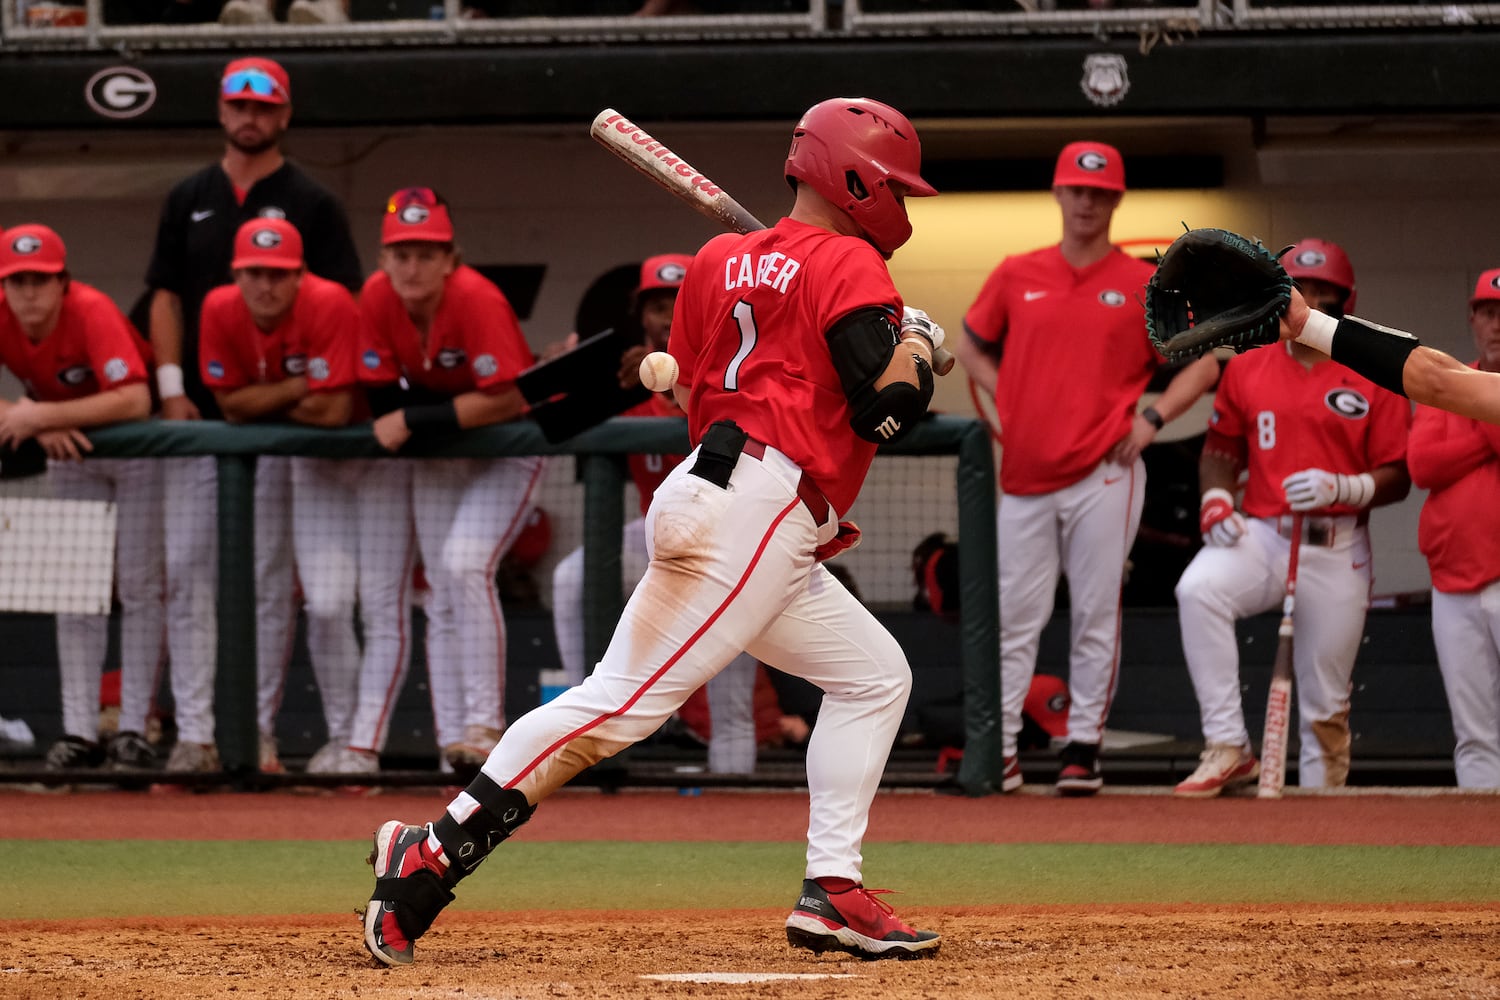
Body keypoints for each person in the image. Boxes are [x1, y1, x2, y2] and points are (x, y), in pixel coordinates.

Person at [360, 96, 945, 966]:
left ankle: (833, 888)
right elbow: (888, 411)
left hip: (721, 492)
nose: (900, 202)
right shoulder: (853, 267)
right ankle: (432, 852)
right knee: (622, 706)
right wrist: (921, 349)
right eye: (893, 184)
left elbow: (694, 396)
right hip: (757, 507)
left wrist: (885, 341)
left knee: (872, 676)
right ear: (854, 177)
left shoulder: (718, 259)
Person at [952, 140, 1220, 796]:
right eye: (1077, 189)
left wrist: (1151, 420)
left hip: (1106, 468)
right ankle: (1003, 749)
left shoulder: (1142, 283)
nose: (1086, 202)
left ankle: (1083, 749)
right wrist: (1007, 401)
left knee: (1097, 611)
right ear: (1058, 193)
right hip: (1026, 474)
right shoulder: (1017, 272)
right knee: (1017, 613)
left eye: (1099, 192)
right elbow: (969, 345)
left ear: (1116, 199)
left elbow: (1207, 360)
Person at [144, 55, 362, 773]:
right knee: (184, 573)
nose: (250, 117)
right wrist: (173, 388)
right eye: (239, 104)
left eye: (264, 106)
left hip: (286, 429)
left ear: (284, 114)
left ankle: (257, 733)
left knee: (272, 583)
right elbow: (165, 296)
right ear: (220, 110)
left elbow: (342, 306)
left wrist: (305, 389)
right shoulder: (190, 196)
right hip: (205, 421)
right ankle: (195, 736)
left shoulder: (311, 200)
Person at [1172, 238, 1411, 796]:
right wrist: (1215, 499)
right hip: (1263, 534)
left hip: (1337, 546)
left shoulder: (1374, 368)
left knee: (1325, 703)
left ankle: (1322, 816)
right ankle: (1229, 743)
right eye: (1298, 290)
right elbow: (1221, 448)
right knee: (1198, 589)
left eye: (1323, 293)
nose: (1310, 302)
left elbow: (1399, 474)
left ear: (1345, 301)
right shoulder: (1250, 361)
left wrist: (1348, 487)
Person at [340, 187, 544, 778]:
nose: (412, 266)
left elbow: (508, 397)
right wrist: (411, 417)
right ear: (383, 260)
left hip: (510, 448)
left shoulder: (476, 298)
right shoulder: (377, 297)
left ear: (451, 258)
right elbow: (380, 397)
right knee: (438, 592)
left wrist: (416, 417)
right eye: (401, 253)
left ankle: (485, 726)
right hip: (444, 454)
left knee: (462, 564)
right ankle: (453, 739)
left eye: (426, 254)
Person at [549, 253, 761, 774]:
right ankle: (585, 713)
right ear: (641, 315)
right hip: (655, 541)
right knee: (571, 577)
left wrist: (685, 393)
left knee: (730, 693)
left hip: (734, 545)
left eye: (679, 301)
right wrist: (576, 373)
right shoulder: (627, 376)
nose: (668, 315)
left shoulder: (741, 368)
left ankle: (735, 810)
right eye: (657, 304)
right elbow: (551, 420)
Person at [197, 218, 362, 774]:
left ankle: (346, 740)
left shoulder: (329, 301)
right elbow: (228, 406)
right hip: (264, 462)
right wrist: (300, 389)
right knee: (261, 596)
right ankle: (256, 737)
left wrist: (262, 398)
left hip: (330, 461)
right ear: (236, 275)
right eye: (254, 273)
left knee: (330, 601)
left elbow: (335, 411)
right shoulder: (219, 308)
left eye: (278, 274)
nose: (265, 285)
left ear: (299, 275)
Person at [0, 224, 162, 771]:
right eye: (16, 281)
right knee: (74, 591)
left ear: (63, 282)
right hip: (72, 450)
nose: (27, 293)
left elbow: (135, 399)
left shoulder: (91, 310)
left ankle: (134, 727)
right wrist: (29, 416)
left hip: (137, 447)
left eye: (39, 280)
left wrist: (39, 414)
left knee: (140, 585)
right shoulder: (4, 314)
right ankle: (77, 730)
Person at [1406, 268, 1500, 789]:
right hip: (1453, 583)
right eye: (1488, 312)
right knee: (1475, 732)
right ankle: (1481, 850)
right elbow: (1423, 466)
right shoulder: (1448, 381)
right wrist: (1487, 430)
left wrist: (1471, 425)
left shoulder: (1450, 388)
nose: (1497, 325)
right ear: (1472, 319)